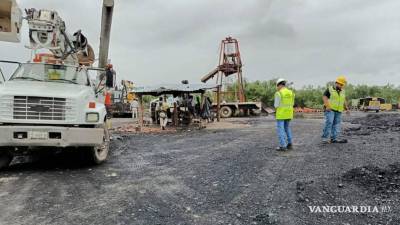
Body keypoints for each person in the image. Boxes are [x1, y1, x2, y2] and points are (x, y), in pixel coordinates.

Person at [321, 75, 349, 144]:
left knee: (336, 124)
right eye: (341, 84)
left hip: (338, 110)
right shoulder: (330, 89)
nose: (342, 86)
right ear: (337, 83)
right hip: (330, 109)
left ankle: (334, 138)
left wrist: (346, 108)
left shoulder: (343, 91)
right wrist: (327, 106)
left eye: (343, 84)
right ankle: (325, 138)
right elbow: (324, 97)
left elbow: (343, 99)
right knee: (329, 122)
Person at [274, 78, 295, 151]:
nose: (277, 88)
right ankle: (290, 144)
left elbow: (276, 105)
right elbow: (292, 104)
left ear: (279, 85)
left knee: (281, 130)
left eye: (277, 86)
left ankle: (283, 146)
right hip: (289, 114)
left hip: (281, 114)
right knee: (287, 128)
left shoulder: (278, 93)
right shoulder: (291, 92)